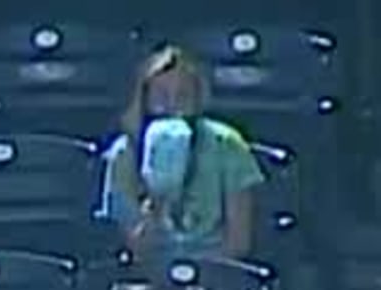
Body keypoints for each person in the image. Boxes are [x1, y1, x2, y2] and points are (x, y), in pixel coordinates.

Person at [98, 45, 263, 263]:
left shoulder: (228, 145)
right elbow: (129, 246)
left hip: (216, 271)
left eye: (183, 96)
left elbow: (239, 241)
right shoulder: (123, 154)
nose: (172, 107)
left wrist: (193, 272)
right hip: (149, 274)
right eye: (162, 96)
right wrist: (154, 205)